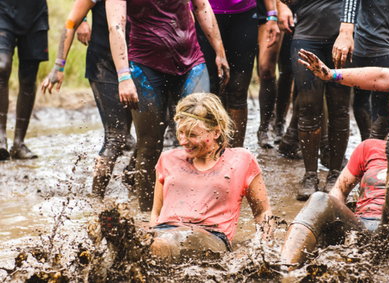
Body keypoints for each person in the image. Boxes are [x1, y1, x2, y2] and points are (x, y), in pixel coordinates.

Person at [101, 93, 273, 259]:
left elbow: (262, 212)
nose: (183, 141)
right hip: (163, 232)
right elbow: (156, 212)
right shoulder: (167, 159)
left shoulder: (241, 160)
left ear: (216, 132)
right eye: (181, 133)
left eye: (192, 135)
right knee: (137, 231)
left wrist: (264, 249)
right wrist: (152, 233)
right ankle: (129, 243)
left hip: (211, 235)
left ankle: (134, 246)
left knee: (180, 237)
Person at [280, 84, 389, 267]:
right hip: (364, 230)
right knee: (320, 199)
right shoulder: (369, 147)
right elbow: (339, 190)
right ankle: (284, 268)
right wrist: (330, 220)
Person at [105, 0, 229, 211]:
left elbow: (202, 7)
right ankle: (147, 214)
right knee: (150, 143)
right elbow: (116, 25)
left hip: (192, 61)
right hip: (145, 65)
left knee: (201, 133)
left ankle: (202, 209)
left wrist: (220, 52)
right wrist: (124, 76)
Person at [41, 0, 135, 198]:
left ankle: (132, 178)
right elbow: (71, 21)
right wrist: (58, 67)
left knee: (145, 138)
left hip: (142, 64)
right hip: (104, 66)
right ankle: (96, 199)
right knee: (116, 137)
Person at [283, 0, 356, 201]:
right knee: (308, 106)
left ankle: (334, 173)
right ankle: (310, 175)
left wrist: (348, 31)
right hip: (306, 35)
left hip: (341, 35)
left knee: (339, 108)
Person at [332, 0, 389, 141]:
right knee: (388, 108)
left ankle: (369, 148)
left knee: (368, 102)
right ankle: (371, 151)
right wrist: (345, 31)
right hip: (372, 38)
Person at [195, 0, 279, 147]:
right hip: (204, 13)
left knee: (238, 90)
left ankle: (236, 155)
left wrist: (271, 15)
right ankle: (211, 151)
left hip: (244, 15)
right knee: (210, 90)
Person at [0, 0, 48, 160]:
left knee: (28, 78)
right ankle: (0, 137)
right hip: (3, 11)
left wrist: (82, 20)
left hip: (35, 15)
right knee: (2, 66)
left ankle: (19, 143)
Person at [255, 0, 289, 148]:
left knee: (287, 70)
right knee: (265, 69)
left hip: (288, 11)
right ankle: (264, 127)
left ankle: (279, 123)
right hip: (258, 11)